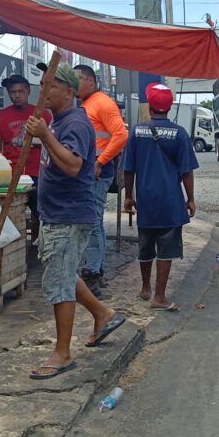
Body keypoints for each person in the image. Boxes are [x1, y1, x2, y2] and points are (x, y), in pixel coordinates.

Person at [23, 64, 125, 379]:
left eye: (50, 85)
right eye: (41, 85)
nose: (43, 91)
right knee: (63, 273)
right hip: (56, 214)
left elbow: (72, 166)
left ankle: (63, 353)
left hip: (69, 215)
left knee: (58, 282)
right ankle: (102, 314)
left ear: (69, 91)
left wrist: (43, 136)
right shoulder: (56, 122)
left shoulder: (76, 123)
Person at [122, 82, 199, 311]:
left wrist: (129, 196)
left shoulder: (136, 131)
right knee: (166, 248)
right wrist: (191, 199)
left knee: (146, 245)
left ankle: (145, 289)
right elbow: (187, 172)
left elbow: (128, 168)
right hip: (170, 201)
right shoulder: (180, 134)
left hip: (145, 200)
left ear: (150, 105)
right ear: (169, 106)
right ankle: (160, 297)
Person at [75, 64, 128, 297]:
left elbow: (121, 135)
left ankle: (92, 273)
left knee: (92, 222)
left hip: (98, 170)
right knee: (93, 221)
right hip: (92, 168)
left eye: (77, 79)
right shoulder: (88, 104)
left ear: (90, 80)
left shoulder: (102, 103)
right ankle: (97, 270)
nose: (73, 84)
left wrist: (100, 161)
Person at [0, 74, 52, 241]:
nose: (17, 95)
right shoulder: (1, 116)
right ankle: (15, 247)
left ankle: (38, 246)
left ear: (28, 91)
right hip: (11, 172)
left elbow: (52, 143)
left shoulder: (42, 114)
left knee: (41, 212)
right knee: (11, 212)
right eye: (12, 92)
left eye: (20, 91)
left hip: (37, 172)